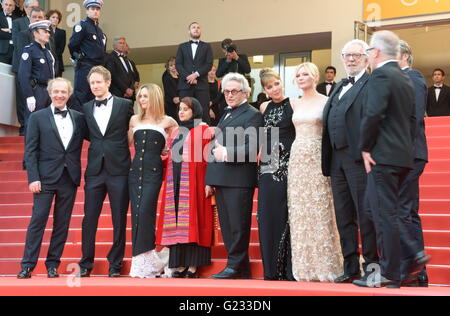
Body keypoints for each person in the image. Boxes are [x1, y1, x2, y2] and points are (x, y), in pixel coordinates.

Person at [354, 31, 429, 288]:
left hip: (382, 156)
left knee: (382, 212)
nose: (367, 55)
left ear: (375, 52)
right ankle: (410, 255)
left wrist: (365, 147)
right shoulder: (405, 78)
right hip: (401, 156)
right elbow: (412, 120)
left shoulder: (382, 75)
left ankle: (393, 272)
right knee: (377, 208)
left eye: (368, 51)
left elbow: (373, 114)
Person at [322, 40, 379, 284]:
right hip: (336, 158)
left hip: (359, 158)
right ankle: (350, 267)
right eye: (347, 55)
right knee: (343, 214)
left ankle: (373, 270)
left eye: (356, 55)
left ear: (366, 59)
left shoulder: (372, 84)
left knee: (365, 214)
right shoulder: (339, 86)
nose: (351, 59)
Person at [17, 78, 86, 279]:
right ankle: (27, 265)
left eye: (63, 92)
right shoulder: (37, 117)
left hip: (69, 178)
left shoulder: (79, 118)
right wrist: (33, 178)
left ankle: (52, 264)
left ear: (69, 94)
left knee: (62, 224)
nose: (59, 95)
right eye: (56, 91)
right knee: (38, 221)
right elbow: (30, 151)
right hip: (44, 179)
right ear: (49, 93)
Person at [288, 62, 343, 282]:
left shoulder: (326, 102)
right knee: (300, 211)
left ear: (314, 76)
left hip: (318, 157)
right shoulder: (293, 103)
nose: (301, 78)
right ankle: (305, 267)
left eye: (304, 74)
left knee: (321, 208)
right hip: (297, 159)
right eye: (298, 75)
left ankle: (328, 265)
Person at [205, 73, 264, 279]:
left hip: (239, 179)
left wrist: (228, 153)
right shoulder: (226, 113)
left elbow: (254, 147)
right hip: (222, 178)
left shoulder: (253, 114)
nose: (229, 95)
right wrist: (210, 179)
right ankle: (241, 267)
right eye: (226, 91)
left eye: (234, 91)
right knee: (228, 225)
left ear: (245, 92)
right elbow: (215, 147)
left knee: (238, 225)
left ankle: (234, 266)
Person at [78, 66, 134, 278]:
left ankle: (115, 264)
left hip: (119, 168)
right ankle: (85, 263)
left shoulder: (125, 104)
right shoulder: (85, 107)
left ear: (108, 82)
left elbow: (131, 129)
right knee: (89, 219)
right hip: (94, 170)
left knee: (119, 219)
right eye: (92, 83)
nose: (95, 86)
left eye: (98, 82)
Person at [157, 97, 214, 278]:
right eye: (180, 109)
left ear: (195, 111)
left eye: (186, 109)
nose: (181, 112)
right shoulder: (175, 132)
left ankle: (193, 265)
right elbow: (171, 156)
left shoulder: (204, 130)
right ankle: (179, 264)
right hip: (176, 181)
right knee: (177, 221)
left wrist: (209, 181)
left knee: (194, 220)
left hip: (196, 182)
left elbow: (210, 158)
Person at [128, 84, 178, 279]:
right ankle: (143, 260)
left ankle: (149, 258)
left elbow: (175, 148)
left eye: (146, 97)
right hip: (134, 172)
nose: (142, 100)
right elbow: (127, 144)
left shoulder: (168, 121)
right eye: (140, 97)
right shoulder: (134, 120)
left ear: (155, 97)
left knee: (145, 211)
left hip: (153, 172)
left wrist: (166, 150)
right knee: (137, 213)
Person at [258, 69, 295, 281]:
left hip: (288, 162)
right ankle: (271, 270)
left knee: (285, 213)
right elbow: (264, 138)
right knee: (268, 213)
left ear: (282, 82)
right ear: (265, 90)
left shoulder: (294, 103)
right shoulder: (264, 107)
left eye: (277, 83)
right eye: (270, 87)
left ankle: (288, 269)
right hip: (268, 164)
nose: (275, 89)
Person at [398, 40, 429, 287]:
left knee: (402, 211)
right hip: (401, 155)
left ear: (406, 55)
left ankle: (412, 266)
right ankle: (417, 272)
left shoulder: (414, 78)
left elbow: (414, 116)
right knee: (408, 211)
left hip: (409, 154)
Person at [68, 0, 106, 108]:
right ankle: (80, 123)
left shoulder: (99, 30)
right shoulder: (82, 25)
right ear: (87, 11)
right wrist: (78, 57)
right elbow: (72, 45)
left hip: (97, 67)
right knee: (81, 96)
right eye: (92, 9)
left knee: (94, 96)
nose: (95, 12)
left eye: (97, 9)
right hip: (85, 65)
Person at [18, 19, 55, 130]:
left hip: (49, 90)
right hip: (37, 90)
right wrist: (29, 95)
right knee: (33, 123)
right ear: (35, 33)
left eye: (48, 31)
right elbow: (23, 75)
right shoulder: (29, 50)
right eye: (44, 31)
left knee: (48, 124)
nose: (48, 34)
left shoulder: (48, 52)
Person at [11, 0, 40, 135]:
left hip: (39, 70)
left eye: (36, 7)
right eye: (32, 7)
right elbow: (17, 44)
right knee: (23, 98)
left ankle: (36, 128)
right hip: (22, 66)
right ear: (25, 8)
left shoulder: (43, 25)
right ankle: (24, 128)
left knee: (39, 99)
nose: (34, 9)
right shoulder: (18, 23)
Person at [176, 22, 213, 124]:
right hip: (185, 85)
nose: (196, 29)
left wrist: (196, 74)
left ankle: (204, 137)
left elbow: (209, 64)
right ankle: (184, 137)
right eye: (193, 27)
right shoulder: (182, 47)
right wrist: (189, 77)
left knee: (203, 112)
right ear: (189, 31)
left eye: (198, 27)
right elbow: (178, 64)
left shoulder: (206, 46)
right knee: (184, 111)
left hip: (201, 85)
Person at [46, 9, 65, 77]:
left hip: (58, 63)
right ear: (48, 18)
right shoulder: (44, 31)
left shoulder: (62, 32)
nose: (55, 19)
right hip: (46, 61)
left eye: (57, 18)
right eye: (53, 17)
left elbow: (61, 49)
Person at [162, 56, 180, 121]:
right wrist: (174, 97)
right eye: (171, 65)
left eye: (175, 65)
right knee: (173, 120)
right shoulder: (166, 75)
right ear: (168, 67)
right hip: (170, 102)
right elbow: (168, 89)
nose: (173, 67)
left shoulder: (180, 75)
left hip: (180, 100)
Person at [0, 0, 17, 65]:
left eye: (10, 5)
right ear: (2, 5)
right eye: (6, 4)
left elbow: (19, 34)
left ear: (14, 7)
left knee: (13, 73)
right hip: (2, 49)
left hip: (15, 50)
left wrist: (8, 30)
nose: (8, 7)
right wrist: (13, 32)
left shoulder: (18, 19)